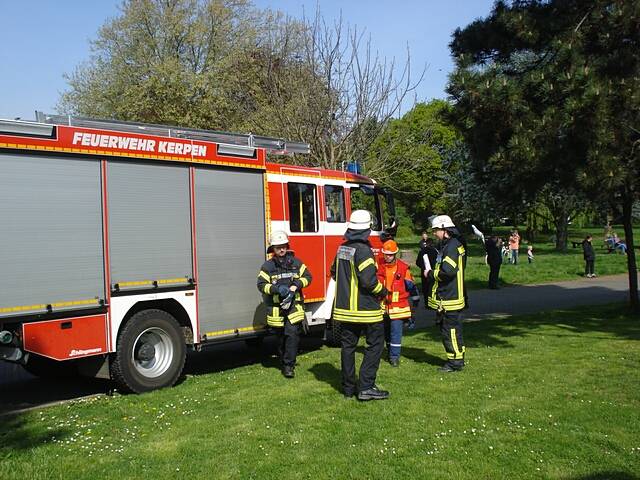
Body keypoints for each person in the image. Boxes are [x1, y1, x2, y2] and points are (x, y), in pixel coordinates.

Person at [331, 210, 390, 400]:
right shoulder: (364, 250)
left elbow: (334, 273)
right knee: (375, 345)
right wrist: (383, 291)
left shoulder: (342, 249)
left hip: (344, 310)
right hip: (366, 309)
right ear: (367, 228)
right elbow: (368, 281)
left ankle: (348, 388)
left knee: (348, 347)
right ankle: (366, 386)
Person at [257, 231, 312, 378]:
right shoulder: (267, 267)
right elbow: (261, 285)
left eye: (283, 246)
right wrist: (276, 289)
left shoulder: (296, 263)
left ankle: (289, 366)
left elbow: (308, 277)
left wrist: (296, 285)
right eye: (277, 247)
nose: (281, 249)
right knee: (280, 337)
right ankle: (284, 358)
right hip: (277, 308)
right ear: (273, 249)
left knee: (291, 334)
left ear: (287, 246)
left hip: (294, 306)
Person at [424, 214, 467, 372]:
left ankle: (454, 362)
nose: (434, 233)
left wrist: (430, 274)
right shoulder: (452, 244)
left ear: (444, 229)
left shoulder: (451, 247)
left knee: (450, 331)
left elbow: (447, 272)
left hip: (450, 297)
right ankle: (458, 357)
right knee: (454, 330)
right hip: (452, 296)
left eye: (436, 230)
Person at [377, 240, 420, 367]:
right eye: (386, 254)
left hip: (399, 306)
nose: (388, 257)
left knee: (396, 332)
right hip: (384, 306)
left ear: (395, 254)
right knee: (386, 331)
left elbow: (411, 286)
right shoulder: (379, 266)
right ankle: (390, 352)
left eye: (390, 254)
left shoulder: (403, 268)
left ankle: (394, 357)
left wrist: (416, 301)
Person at [416, 235, 439, 305]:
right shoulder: (435, 252)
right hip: (433, 271)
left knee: (425, 287)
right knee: (433, 286)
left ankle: (426, 302)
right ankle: (433, 302)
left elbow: (417, 262)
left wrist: (422, 267)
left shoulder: (422, 251)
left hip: (424, 271)